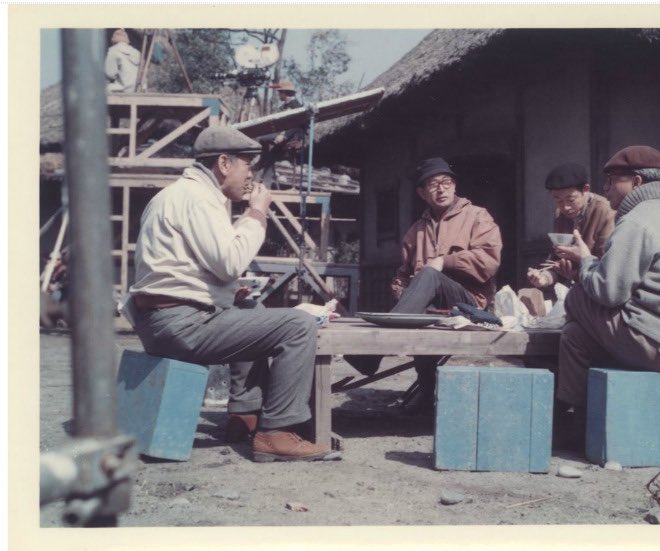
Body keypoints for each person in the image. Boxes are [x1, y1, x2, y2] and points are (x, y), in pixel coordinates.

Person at [124, 125, 338, 462]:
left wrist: (226, 294)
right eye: (247, 166)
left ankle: (245, 415)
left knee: (249, 311)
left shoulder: (180, 194)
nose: (250, 175)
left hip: (162, 320)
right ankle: (277, 433)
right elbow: (229, 262)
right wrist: (257, 212)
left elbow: (202, 264)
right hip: (181, 324)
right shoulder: (197, 198)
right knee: (297, 326)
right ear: (224, 163)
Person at [552, 145, 660, 451]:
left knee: (576, 299)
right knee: (574, 335)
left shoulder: (637, 221)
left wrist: (584, 262)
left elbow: (608, 291)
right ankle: (581, 418)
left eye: (612, 181)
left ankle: (569, 418)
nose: (607, 190)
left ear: (637, 182)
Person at [347, 157, 503, 411]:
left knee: (430, 273)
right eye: (433, 185)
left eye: (446, 182)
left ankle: (371, 354)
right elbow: (403, 275)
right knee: (421, 297)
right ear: (422, 192)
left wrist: (446, 261)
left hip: (468, 302)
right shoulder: (416, 230)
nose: (441, 189)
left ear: (454, 186)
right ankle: (427, 391)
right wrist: (401, 292)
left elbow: (489, 262)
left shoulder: (477, 217)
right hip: (432, 305)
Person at [526, 162, 615, 291]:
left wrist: (580, 259)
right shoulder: (560, 215)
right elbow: (557, 260)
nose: (565, 207)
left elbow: (608, 270)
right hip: (577, 289)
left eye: (571, 200)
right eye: (558, 200)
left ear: (585, 189)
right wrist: (544, 278)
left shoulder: (606, 212)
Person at [257, 80, 306, 188]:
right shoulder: (284, 107)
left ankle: (262, 161)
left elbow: (297, 125)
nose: (279, 95)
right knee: (270, 157)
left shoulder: (296, 106)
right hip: (284, 136)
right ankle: (266, 184)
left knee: (262, 140)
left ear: (285, 93)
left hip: (293, 137)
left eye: (280, 93)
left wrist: (284, 136)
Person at [104, 28, 141, 93]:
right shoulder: (136, 52)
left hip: (123, 88)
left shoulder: (113, 50)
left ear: (113, 39)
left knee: (102, 88)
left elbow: (110, 74)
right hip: (137, 88)